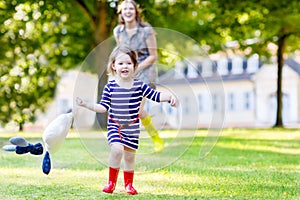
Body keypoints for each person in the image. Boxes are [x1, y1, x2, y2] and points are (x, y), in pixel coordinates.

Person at [76, 45, 178, 195]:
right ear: (114, 66)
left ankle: (129, 185)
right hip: (115, 126)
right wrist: (86, 105)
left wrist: (169, 97)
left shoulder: (139, 86)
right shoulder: (110, 86)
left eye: (129, 63)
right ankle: (111, 183)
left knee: (130, 157)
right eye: (121, 63)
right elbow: (103, 107)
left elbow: (155, 96)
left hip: (132, 128)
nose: (125, 66)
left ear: (135, 66)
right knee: (117, 150)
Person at [113, 0, 164, 152]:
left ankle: (127, 142)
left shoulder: (146, 30)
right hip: (128, 71)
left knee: (135, 109)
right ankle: (156, 139)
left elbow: (153, 55)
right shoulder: (118, 31)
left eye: (131, 9)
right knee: (139, 111)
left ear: (136, 12)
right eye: (125, 9)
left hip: (145, 71)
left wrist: (136, 68)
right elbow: (121, 53)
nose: (128, 12)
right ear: (121, 13)